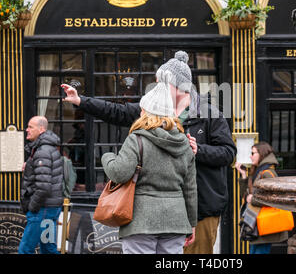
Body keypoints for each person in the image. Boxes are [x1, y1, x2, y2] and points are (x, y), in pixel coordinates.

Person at [61, 50, 237, 254]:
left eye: (162, 81)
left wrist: (199, 150)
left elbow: (228, 153)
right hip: (161, 213)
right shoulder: (153, 109)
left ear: (177, 85)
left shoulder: (209, 113)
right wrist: (80, 101)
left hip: (202, 207)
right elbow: (117, 111)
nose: (157, 85)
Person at [101, 69, 197, 254]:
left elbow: (119, 173)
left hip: (141, 221)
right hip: (176, 221)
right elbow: (190, 189)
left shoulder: (137, 139)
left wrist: (108, 157)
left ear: (146, 111)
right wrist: (191, 224)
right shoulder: (185, 143)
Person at [19, 116, 64, 254]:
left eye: (30, 127)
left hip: (42, 209)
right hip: (50, 207)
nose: (27, 129)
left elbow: (44, 187)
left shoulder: (42, 151)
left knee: (25, 250)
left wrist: (32, 207)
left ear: (41, 129)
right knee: (48, 249)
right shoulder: (46, 148)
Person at [234, 142, 288, 254]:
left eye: (253, 153)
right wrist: (244, 175)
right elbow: (247, 195)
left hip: (263, 223)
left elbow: (275, 198)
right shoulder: (259, 171)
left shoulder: (268, 173)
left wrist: (252, 199)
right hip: (257, 222)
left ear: (261, 154)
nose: (250, 156)